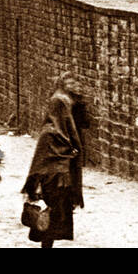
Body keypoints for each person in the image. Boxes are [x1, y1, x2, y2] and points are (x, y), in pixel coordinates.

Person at [23, 72, 85, 247]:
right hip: (53, 182)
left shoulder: (63, 134)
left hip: (62, 181)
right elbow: (40, 160)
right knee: (49, 220)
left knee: (57, 221)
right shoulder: (49, 134)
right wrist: (33, 183)